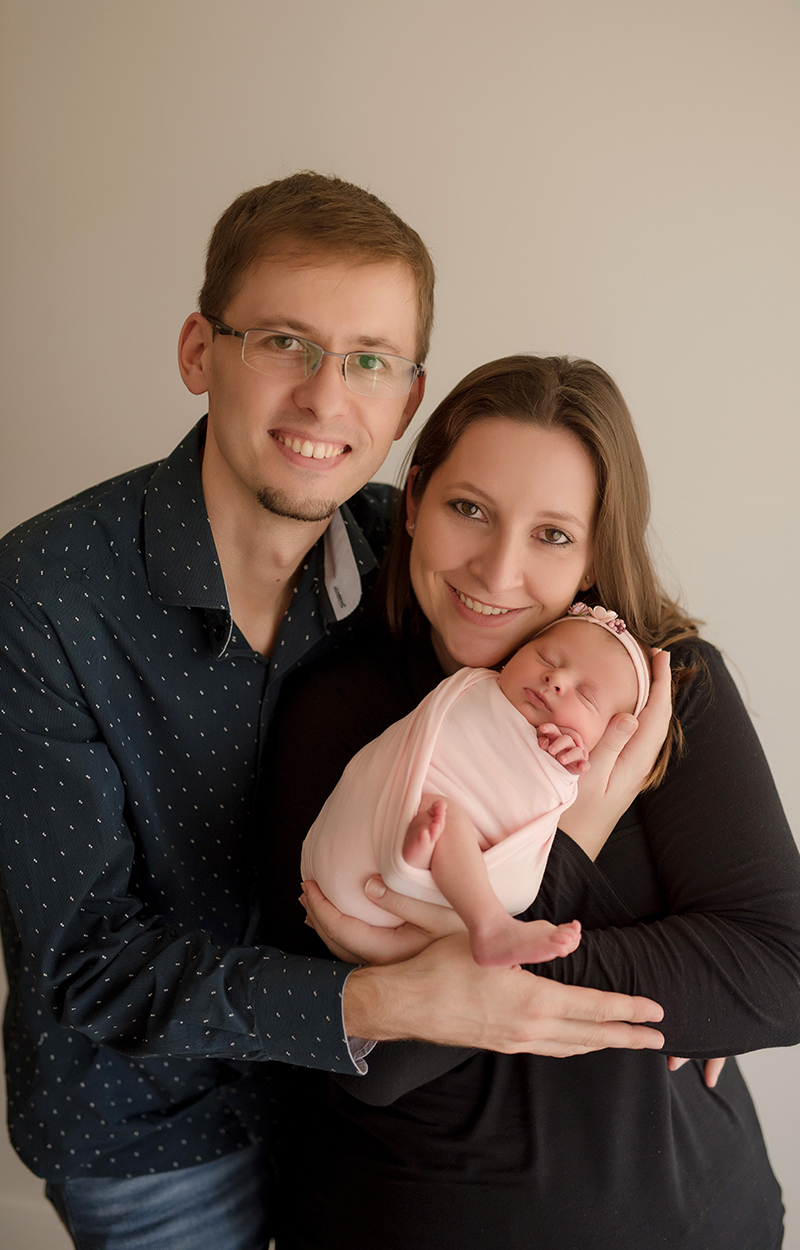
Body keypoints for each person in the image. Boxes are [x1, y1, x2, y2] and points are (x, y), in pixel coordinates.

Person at [0, 176, 666, 1249]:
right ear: (197, 351)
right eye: (284, 342)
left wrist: (674, 999)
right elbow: (84, 958)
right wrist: (386, 1003)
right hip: (152, 1128)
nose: (324, 397)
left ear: (408, 402)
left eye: (368, 359)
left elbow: (597, 682)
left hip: (357, 1117)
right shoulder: (42, 597)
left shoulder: (433, 559)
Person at [259, 354, 800, 1248]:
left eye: (552, 534)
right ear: (416, 499)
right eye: (469, 509)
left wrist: (449, 970)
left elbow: (778, 976)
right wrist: (579, 844)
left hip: (696, 1216)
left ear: (594, 555)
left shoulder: (664, 696)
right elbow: (374, 1064)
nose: (497, 571)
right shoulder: (337, 713)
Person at [301, 603, 651, 969]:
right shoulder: (474, 688)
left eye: (586, 695)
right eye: (546, 658)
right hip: (358, 841)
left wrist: (568, 766)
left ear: (608, 737)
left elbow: (555, 795)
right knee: (441, 812)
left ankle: (458, 891)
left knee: (445, 818)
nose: (557, 679)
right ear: (512, 657)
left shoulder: (564, 760)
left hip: (425, 885)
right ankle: (468, 901)